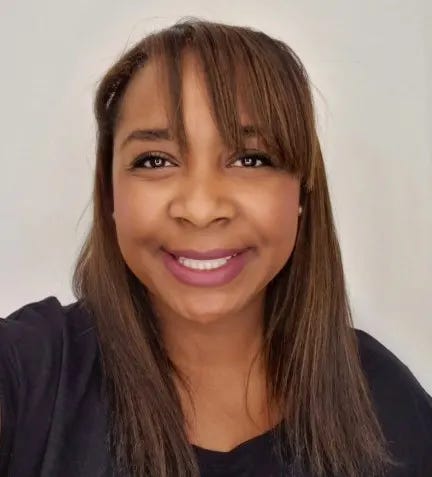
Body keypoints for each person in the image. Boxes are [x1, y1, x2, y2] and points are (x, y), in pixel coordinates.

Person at [0, 18, 431, 477]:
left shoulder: (387, 405)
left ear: (302, 193)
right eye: (155, 160)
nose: (201, 209)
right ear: (110, 193)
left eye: (251, 159)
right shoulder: (31, 373)